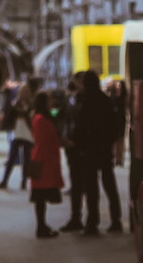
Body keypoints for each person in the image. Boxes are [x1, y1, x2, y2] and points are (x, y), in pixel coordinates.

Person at [73, 70, 122, 236]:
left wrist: (78, 145)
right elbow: (115, 126)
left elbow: (80, 125)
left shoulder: (86, 101)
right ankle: (116, 220)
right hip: (104, 150)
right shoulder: (105, 100)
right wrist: (109, 142)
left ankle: (92, 222)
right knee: (109, 185)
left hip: (89, 151)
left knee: (92, 188)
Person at [28, 91, 63, 239]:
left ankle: (42, 225)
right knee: (41, 196)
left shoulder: (41, 117)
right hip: (44, 162)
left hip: (45, 160)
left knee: (41, 196)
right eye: (49, 99)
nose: (52, 101)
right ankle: (41, 227)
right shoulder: (40, 119)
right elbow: (41, 142)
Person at [0, 76, 39, 191]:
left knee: (16, 156)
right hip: (24, 129)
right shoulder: (31, 98)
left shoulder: (28, 98)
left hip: (21, 129)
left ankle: (8, 181)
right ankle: (22, 182)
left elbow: (13, 111)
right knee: (24, 156)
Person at [59, 74, 86, 232]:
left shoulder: (74, 100)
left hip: (76, 147)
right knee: (89, 185)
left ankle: (77, 218)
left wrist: (71, 140)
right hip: (84, 148)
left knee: (77, 185)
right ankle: (91, 220)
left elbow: (73, 123)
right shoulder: (76, 99)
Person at [108, 78, 128, 166]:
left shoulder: (124, 95)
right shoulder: (112, 95)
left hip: (121, 118)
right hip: (113, 119)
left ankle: (120, 158)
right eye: (117, 84)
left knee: (121, 138)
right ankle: (115, 157)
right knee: (114, 139)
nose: (118, 86)